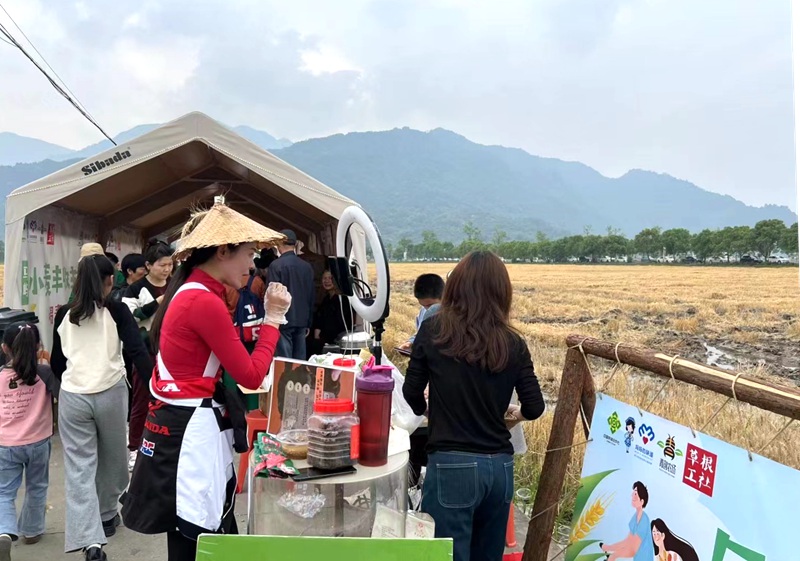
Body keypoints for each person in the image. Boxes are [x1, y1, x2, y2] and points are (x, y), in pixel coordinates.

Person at [120, 199, 291, 561]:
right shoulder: (204, 301)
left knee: (192, 527)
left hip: (181, 420)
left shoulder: (191, 292)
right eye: (247, 253)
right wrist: (273, 319)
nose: (252, 264)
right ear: (223, 251)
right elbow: (250, 374)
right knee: (197, 530)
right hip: (191, 429)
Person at [403, 251, 545, 561]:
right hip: (499, 469)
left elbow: (411, 392)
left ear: (456, 287)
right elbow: (534, 406)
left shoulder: (434, 330)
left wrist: (430, 410)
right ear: (501, 292)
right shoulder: (512, 341)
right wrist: (513, 415)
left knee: (447, 555)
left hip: (452, 465)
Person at [50, 254, 153, 561]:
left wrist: (73, 381)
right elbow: (137, 351)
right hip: (110, 391)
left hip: (73, 395)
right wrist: (154, 390)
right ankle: (107, 515)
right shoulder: (118, 311)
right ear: (110, 280)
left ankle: (91, 540)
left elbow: (57, 362)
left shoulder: (64, 314)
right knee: (114, 460)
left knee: (79, 468)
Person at [0, 322, 59, 561]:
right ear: (38, 347)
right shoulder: (44, 373)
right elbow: (61, 397)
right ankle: (32, 531)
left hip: (6, 444)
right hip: (38, 442)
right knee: (37, 487)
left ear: (5, 348)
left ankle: (4, 531)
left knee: (4, 492)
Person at [122, 241, 174, 471]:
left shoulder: (175, 284)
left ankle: (164, 443)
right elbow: (132, 317)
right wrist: (159, 302)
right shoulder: (135, 289)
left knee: (170, 400)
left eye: (170, 264)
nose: (166, 269)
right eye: (162, 265)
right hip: (145, 353)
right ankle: (135, 447)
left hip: (173, 352)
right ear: (149, 265)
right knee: (142, 401)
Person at [266, 229, 315, 360]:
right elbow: (311, 296)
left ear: (280, 243)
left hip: (282, 319)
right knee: (300, 362)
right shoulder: (307, 267)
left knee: (284, 360)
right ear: (294, 244)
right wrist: (309, 322)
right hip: (302, 319)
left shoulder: (275, 266)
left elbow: (271, 295)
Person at [600, 482, 654, 561]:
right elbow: (627, 541)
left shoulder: (644, 521)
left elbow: (633, 550)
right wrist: (610, 548)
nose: (632, 496)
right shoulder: (635, 517)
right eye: (633, 493)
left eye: (635, 494)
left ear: (642, 501)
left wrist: (614, 555)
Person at [309, 270, 355, 356]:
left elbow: (340, 323)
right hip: (325, 339)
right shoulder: (327, 298)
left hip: (337, 341)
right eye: (324, 278)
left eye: (330, 278)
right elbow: (320, 318)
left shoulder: (342, 300)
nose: (327, 281)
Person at [397, 273, 444, 352]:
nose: (427, 309)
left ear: (443, 296)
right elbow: (421, 334)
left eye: (430, 305)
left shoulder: (457, 316)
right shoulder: (423, 311)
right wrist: (411, 343)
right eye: (423, 305)